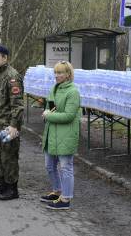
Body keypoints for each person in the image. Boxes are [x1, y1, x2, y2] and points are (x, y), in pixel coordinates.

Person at [40, 61, 81, 210]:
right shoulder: (54, 89)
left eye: (60, 73)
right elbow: (51, 108)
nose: (56, 75)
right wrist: (47, 113)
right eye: (55, 73)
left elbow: (69, 116)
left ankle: (66, 198)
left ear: (68, 74)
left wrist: (49, 116)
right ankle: (57, 191)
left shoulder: (73, 92)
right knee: (49, 166)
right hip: (52, 133)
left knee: (65, 167)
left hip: (66, 135)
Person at [0, 45, 24, 200]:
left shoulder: (12, 76)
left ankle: (12, 188)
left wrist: (14, 126)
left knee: (9, 157)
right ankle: (2, 183)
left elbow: (18, 105)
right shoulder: (1, 74)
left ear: (5, 58)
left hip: (8, 126)